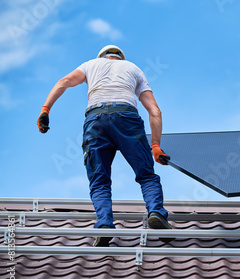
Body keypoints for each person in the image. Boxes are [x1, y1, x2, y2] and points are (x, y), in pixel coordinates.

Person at [37, 45, 173, 246]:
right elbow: (155, 111)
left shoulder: (90, 65)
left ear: (102, 57)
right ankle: (155, 213)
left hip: (96, 121)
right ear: (120, 58)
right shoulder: (133, 69)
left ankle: (104, 225)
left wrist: (45, 110)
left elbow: (63, 82)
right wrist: (155, 146)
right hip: (127, 118)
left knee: (99, 181)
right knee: (146, 175)